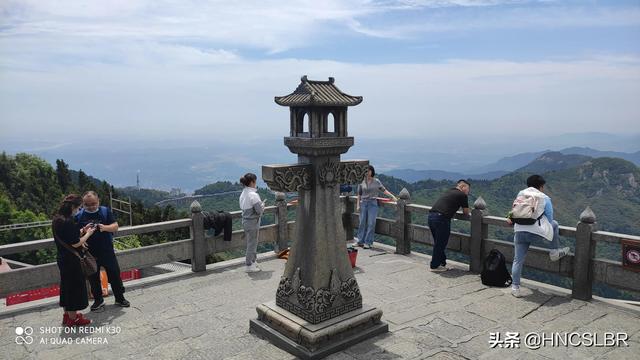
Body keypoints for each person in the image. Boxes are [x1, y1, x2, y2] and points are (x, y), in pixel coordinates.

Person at [507, 175, 570, 297]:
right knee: (555, 224)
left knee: (517, 260)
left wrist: (509, 217)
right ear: (541, 186)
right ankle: (554, 252)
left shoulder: (521, 193)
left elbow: (515, 209)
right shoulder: (544, 197)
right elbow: (550, 219)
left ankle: (515, 288)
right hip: (536, 233)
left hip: (519, 231)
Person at [76, 191, 130, 311]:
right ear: (83, 204)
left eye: (93, 203)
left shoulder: (105, 211)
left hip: (107, 251)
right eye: (87, 204)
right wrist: (84, 232)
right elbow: (75, 233)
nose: (90, 206)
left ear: (98, 202)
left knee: (115, 274)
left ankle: (120, 298)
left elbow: (115, 226)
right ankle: (98, 300)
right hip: (89, 253)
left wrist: (104, 227)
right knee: (93, 278)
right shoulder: (79, 216)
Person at [52, 194, 96, 326]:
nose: (78, 210)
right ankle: (73, 319)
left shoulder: (57, 219)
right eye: (78, 207)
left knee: (66, 287)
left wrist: (82, 230)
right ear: (72, 206)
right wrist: (88, 233)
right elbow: (76, 243)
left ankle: (67, 316)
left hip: (62, 258)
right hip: (72, 260)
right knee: (74, 288)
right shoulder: (68, 221)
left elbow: (68, 236)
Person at [428, 180, 470, 272]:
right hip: (441, 219)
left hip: (431, 216)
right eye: (468, 189)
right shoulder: (462, 195)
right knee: (441, 243)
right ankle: (434, 266)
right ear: (463, 187)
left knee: (438, 242)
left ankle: (442, 263)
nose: (468, 191)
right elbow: (466, 212)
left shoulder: (449, 191)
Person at [356, 165, 397, 249]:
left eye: (369, 171)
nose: (367, 173)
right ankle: (360, 241)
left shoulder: (376, 181)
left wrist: (392, 196)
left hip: (372, 203)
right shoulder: (362, 181)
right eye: (366, 171)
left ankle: (368, 242)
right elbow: (359, 194)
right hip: (363, 203)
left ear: (372, 171)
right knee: (362, 223)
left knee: (371, 223)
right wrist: (357, 205)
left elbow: (383, 190)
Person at [239, 173, 266, 273]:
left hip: (245, 221)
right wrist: (262, 206)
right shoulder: (253, 195)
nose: (256, 183)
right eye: (255, 181)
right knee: (252, 244)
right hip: (252, 223)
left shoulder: (243, 193)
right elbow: (259, 211)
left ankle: (253, 262)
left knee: (251, 243)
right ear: (251, 182)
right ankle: (249, 265)